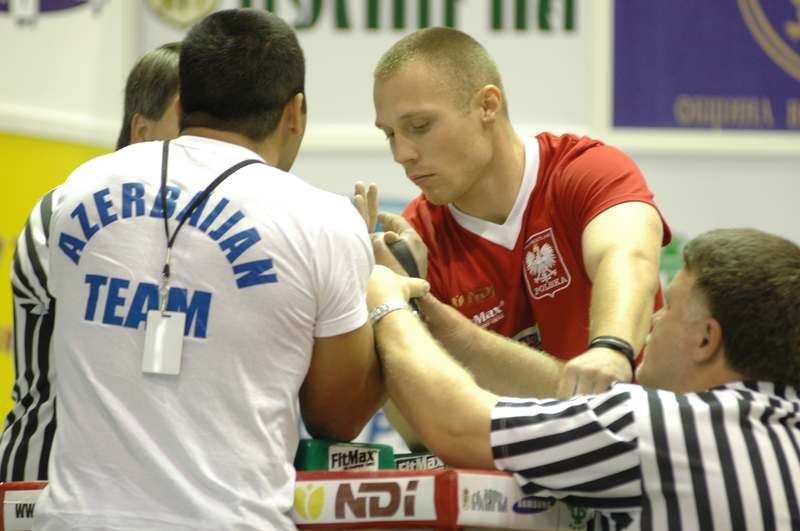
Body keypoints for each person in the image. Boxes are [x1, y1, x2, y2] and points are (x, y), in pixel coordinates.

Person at [32, 10, 383, 530]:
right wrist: (387, 294)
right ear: (296, 112)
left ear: (184, 96)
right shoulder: (323, 221)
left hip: (70, 519)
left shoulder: (77, 190)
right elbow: (338, 416)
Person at [367, 228, 800, 529]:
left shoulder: (651, 425)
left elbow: (456, 425)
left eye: (669, 306)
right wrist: (428, 308)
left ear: (706, 340)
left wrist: (385, 302)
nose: (655, 316)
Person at [370, 26, 670, 398]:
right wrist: (406, 310)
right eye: (390, 134)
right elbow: (419, 432)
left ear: (487, 106)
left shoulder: (585, 169)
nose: (402, 154)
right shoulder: (415, 240)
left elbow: (628, 254)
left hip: (638, 444)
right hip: (507, 454)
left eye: (419, 126)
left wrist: (611, 349)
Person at [2, 41, 181, 482]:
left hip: (130, 487)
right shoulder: (71, 213)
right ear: (142, 132)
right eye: (191, 126)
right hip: (45, 481)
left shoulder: (185, 231)